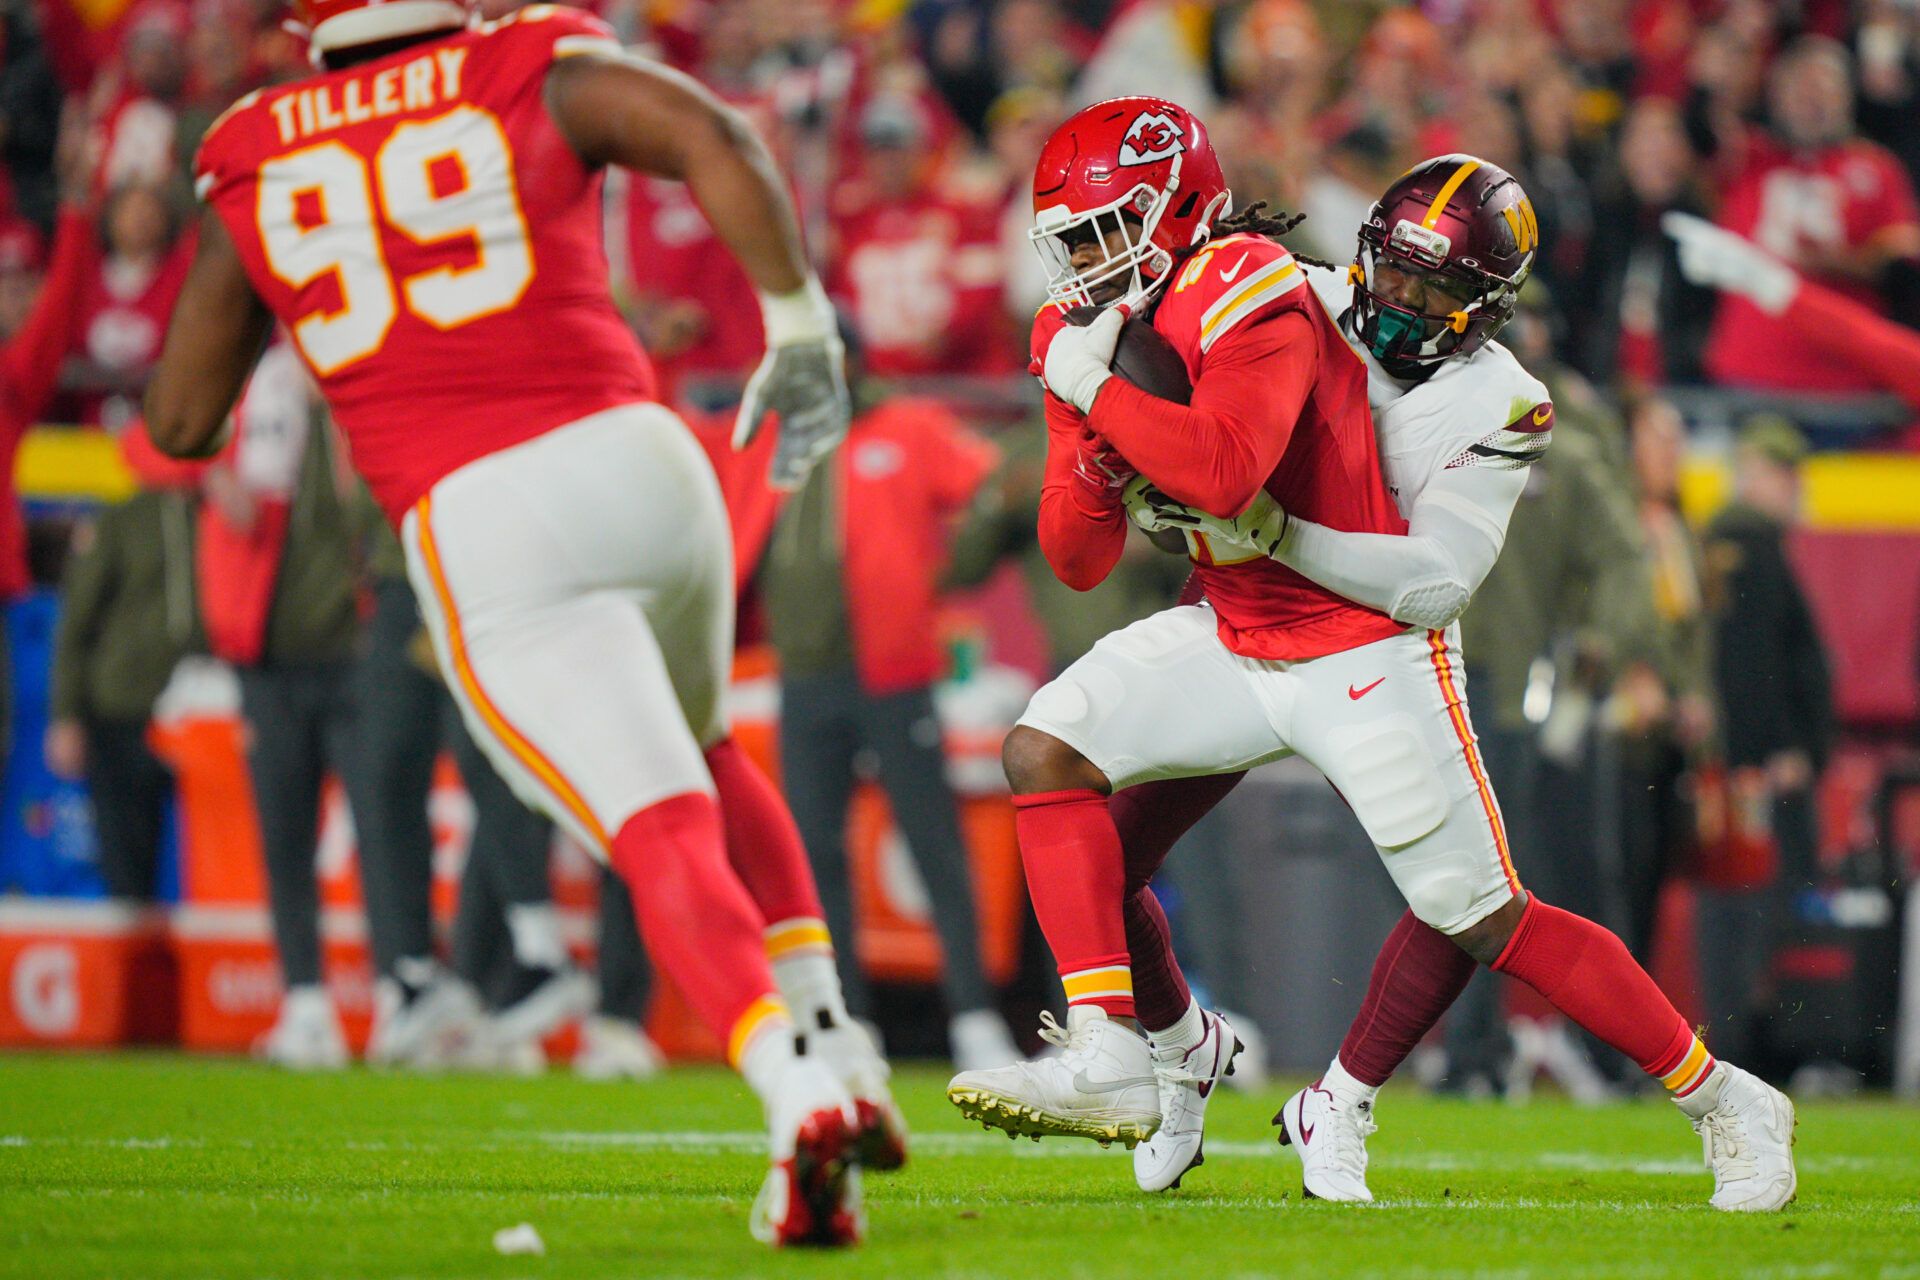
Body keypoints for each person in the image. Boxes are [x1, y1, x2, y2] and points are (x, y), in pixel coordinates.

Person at [145, 0, 892, 1246]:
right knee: (707, 750)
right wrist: (801, 318)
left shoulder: (257, 145)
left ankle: (795, 1087)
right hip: (646, 458)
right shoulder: (526, 58)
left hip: (484, 511)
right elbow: (713, 134)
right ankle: (837, 1034)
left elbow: (179, 422)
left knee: (658, 823)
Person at [951, 121, 1799, 1214]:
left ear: (1489, 307)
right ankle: (1157, 1046)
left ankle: (1726, 1097)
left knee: (1481, 912)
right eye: (1391, 268)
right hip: (1232, 627)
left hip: (1369, 648)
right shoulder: (1281, 294)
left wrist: (1271, 528)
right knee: (1052, 762)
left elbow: (1434, 582)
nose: (1399, 298)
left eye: (1433, 288)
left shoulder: (1502, 399)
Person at [760, 329, 1021, 1071]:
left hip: (892, 670)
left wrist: (943, 573)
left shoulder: (906, 425)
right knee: (813, 854)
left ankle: (974, 1016)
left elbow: (990, 487)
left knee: (933, 843)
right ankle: (842, 1019)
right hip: (803, 673)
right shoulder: (779, 443)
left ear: (848, 360)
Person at [1699, 416, 1834, 1066]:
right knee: (1746, 902)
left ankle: (1747, 1043)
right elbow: (1750, 663)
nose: (1794, 487)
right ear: (1756, 475)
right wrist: (1769, 750)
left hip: (1748, 759)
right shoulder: (1747, 543)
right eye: (1785, 474)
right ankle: (1744, 1047)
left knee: (1745, 901)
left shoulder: (1745, 542)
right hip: (1755, 766)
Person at [47, 431, 203, 900]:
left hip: (205, 710)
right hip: (123, 707)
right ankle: (133, 939)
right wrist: (66, 715)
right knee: (126, 857)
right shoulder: (121, 521)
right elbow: (76, 622)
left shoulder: (213, 515)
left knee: (211, 855)